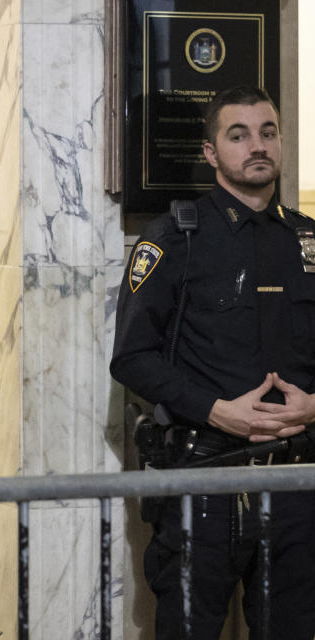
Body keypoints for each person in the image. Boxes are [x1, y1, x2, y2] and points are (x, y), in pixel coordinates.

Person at [111, 86, 315, 639]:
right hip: (205, 480)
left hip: (296, 484)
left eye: (268, 132)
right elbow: (132, 358)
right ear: (209, 152)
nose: (257, 145)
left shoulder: (306, 241)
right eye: (238, 134)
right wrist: (219, 411)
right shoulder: (176, 238)